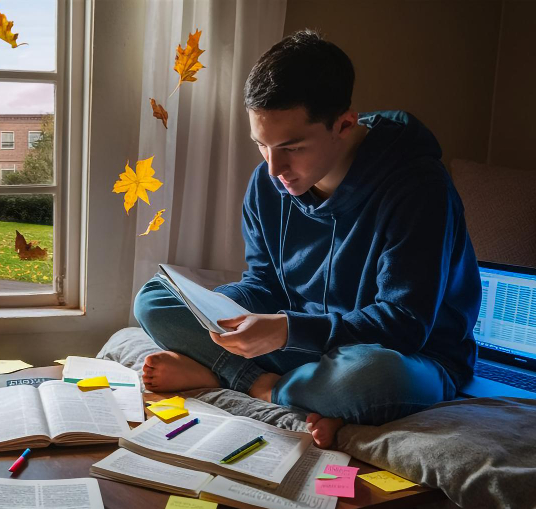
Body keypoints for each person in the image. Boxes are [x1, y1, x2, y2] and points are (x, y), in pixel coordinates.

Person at [133, 29, 481, 448]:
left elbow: (406, 325)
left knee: (366, 378)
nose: (274, 166)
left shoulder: (418, 187)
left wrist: (286, 331)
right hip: (302, 340)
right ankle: (265, 382)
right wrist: (221, 313)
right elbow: (264, 283)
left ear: (344, 124)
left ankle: (260, 386)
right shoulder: (270, 181)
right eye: (261, 144)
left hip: (407, 356)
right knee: (155, 297)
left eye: (292, 147)